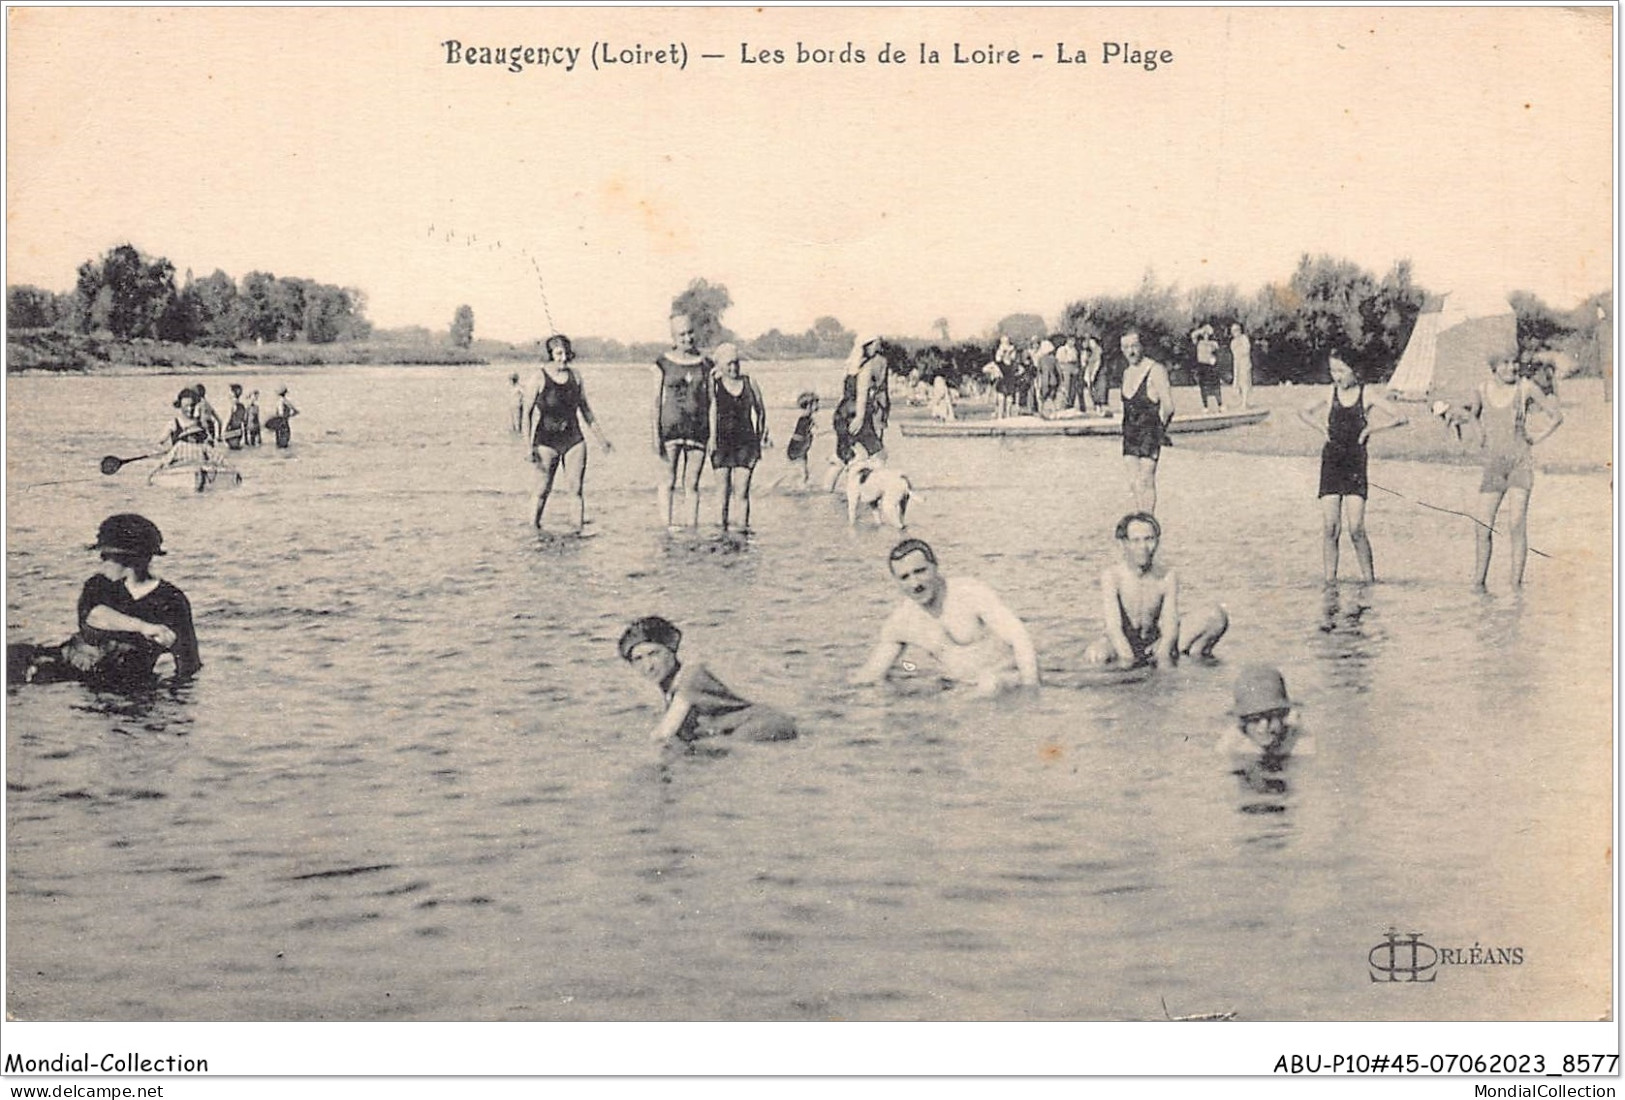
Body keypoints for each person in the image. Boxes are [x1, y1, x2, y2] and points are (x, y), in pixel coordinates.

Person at [7, 514, 201, 689]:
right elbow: (95, 616)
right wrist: (143, 627)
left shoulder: (171, 599)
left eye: (106, 555)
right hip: (59, 668)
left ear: (129, 560)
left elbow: (188, 661)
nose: (101, 560)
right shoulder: (98, 585)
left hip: (125, 684)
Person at [851, 538, 1040, 696]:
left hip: (1006, 680)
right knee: (884, 691)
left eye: (920, 571)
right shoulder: (902, 621)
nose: (915, 583)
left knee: (989, 683)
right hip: (958, 688)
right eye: (905, 577)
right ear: (897, 582)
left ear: (935, 567)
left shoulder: (970, 593)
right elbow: (872, 673)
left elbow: (1019, 638)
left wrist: (1031, 688)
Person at [1297, 352, 1407, 583]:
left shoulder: (1366, 394)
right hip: (1331, 462)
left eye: (1341, 371)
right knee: (1330, 528)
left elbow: (1400, 416)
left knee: (1356, 528)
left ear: (1354, 371)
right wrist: (1321, 428)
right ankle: (1330, 583)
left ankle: (1369, 581)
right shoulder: (1330, 393)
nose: (1336, 376)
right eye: (1333, 371)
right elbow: (1302, 411)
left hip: (1355, 462)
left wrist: (1370, 430)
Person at [1460, 353, 1563, 589]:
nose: (1512, 367)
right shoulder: (1482, 389)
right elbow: (1472, 415)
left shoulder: (1525, 388)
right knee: (1482, 524)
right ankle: (1479, 584)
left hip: (1520, 464)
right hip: (1494, 467)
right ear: (1494, 367)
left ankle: (1515, 586)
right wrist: (1480, 435)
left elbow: (1556, 416)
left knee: (1516, 523)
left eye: (1514, 362)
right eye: (1505, 363)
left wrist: (1536, 437)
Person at [618, 616, 797, 744]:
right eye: (638, 659)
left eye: (654, 654)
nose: (648, 666)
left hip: (764, 725)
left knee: (705, 753)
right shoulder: (671, 686)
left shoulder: (690, 677)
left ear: (671, 651)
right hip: (749, 727)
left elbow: (663, 733)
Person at [1084, 512, 1228, 668]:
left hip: (1153, 643)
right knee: (1096, 655)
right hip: (1122, 644)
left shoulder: (1167, 576)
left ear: (1157, 541)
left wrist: (1163, 660)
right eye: (1135, 541)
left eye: (1149, 539)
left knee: (1215, 616)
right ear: (1123, 544)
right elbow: (1114, 629)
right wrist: (1130, 663)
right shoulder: (1112, 577)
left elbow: (1170, 626)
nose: (1143, 547)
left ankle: (1193, 659)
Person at [527, 333, 612, 534]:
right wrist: (527, 446)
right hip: (546, 441)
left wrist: (602, 439)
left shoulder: (576, 376)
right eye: (558, 353)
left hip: (573, 439)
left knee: (576, 491)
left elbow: (586, 410)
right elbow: (526, 414)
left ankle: (577, 532)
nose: (563, 358)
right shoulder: (539, 377)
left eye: (566, 353)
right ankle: (532, 531)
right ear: (551, 354)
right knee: (541, 490)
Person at [652, 313, 713, 528]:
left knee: (692, 483)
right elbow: (655, 402)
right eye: (681, 334)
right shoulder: (663, 363)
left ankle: (691, 527)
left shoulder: (706, 364)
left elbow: (712, 402)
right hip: (670, 430)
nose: (687, 338)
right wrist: (655, 435)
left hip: (698, 430)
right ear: (673, 337)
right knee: (668, 481)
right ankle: (666, 527)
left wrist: (713, 435)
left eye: (690, 333)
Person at [708, 343, 768, 532]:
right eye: (728, 364)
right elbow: (711, 411)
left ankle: (742, 532)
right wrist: (711, 438)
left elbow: (761, 411)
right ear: (719, 365)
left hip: (745, 443)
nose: (733, 368)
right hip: (722, 442)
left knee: (742, 492)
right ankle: (721, 532)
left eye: (736, 363)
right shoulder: (714, 385)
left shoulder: (750, 382)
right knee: (722, 492)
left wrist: (759, 437)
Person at [1118, 330, 1175, 514]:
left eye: (1134, 346)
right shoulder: (1126, 373)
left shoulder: (1155, 370)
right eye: (1126, 347)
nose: (1131, 351)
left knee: (1146, 480)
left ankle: (1149, 520)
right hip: (1129, 433)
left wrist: (1161, 430)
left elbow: (1168, 406)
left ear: (1142, 346)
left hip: (1149, 431)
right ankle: (1140, 522)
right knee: (1134, 483)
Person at [1215, 665, 1313, 760]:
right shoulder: (1231, 744)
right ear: (1242, 723)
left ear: (1284, 716)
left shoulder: (1300, 744)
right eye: (1255, 719)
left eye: (1271, 717)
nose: (1263, 727)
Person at [833, 334, 890, 468]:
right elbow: (862, 394)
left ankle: (827, 487)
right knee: (879, 454)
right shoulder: (866, 366)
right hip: (857, 413)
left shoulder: (850, 365)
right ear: (867, 346)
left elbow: (843, 394)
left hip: (842, 412)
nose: (876, 348)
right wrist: (859, 417)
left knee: (843, 456)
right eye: (874, 345)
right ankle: (871, 483)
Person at [783, 391, 819, 488]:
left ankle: (796, 487)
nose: (818, 406)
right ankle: (800, 490)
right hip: (799, 447)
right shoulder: (806, 419)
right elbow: (813, 433)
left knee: (799, 472)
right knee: (803, 473)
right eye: (816, 403)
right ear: (809, 405)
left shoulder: (805, 418)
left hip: (798, 446)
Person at [1190, 324, 1224, 410]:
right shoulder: (1199, 342)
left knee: (1215, 386)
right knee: (1203, 386)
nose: (1206, 335)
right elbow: (1193, 335)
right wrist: (1202, 330)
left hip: (1211, 366)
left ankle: (1220, 404)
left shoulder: (1213, 343)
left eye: (1207, 334)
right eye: (1204, 334)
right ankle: (1205, 406)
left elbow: (1217, 351)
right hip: (1202, 365)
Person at [1229, 323, 1253, 408]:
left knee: (1245, 382)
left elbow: (1246, 350)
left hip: (1244, 363)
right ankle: (1242, 401)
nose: (1235, 332)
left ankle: (1244, 402)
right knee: (1237, 383)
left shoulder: (1244, 338)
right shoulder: (1233, 342)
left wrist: (1239, 353)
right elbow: (1234, 353)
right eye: (1233, 331)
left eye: (1236, 330)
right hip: (1237, 364)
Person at [224, 384, 248, 449]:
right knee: (236, 449)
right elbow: (244, 420)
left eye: (230, 392)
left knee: (230, 451)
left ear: (233, 393)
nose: (228, 393)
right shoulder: (242, 406)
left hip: (231, 431)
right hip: (239, 431)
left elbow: (228, 419)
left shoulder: (232, 406)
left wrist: (223, 432)